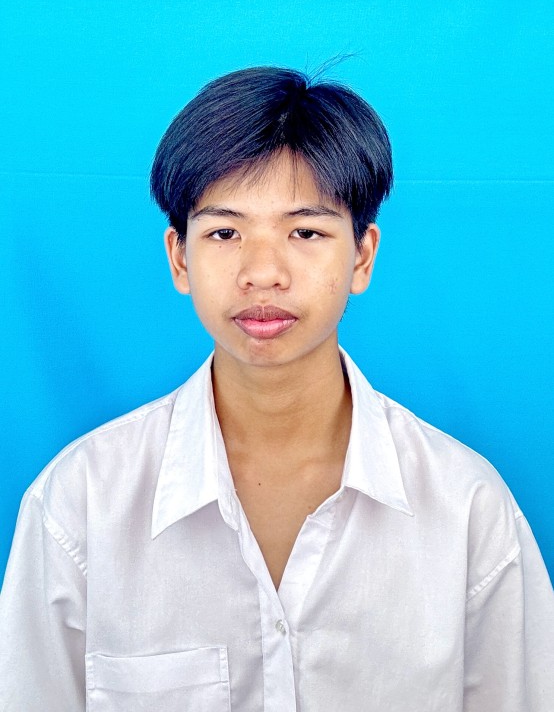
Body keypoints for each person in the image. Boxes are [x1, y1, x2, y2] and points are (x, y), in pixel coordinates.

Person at [1, 66, 553, 712]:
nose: (262, 272)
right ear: (179, 258)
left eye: (306, 232)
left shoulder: (467, 509)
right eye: (225, 233)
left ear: (362, 256)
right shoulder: (79, 505)